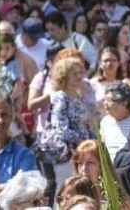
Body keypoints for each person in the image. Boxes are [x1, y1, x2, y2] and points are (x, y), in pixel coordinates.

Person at [38, 55, 96, 187]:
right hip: (65, 154)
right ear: (64, 76)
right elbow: (60, 128)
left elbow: (85, 125)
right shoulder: (61, 97)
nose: (79, 76)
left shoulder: (78, 96)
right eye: (74, 74)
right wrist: (81, 141)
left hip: (80, 152)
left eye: (80, 72)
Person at [70, 140, 130, 210]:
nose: (84, 169)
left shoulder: (121, 202)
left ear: (102, 166)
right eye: (80, 163)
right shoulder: (70, 197)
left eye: (90, 163)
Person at [99, 81, 130, 159]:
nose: (105, 103)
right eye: (104, 100)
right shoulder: (105, 122)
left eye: (109, 100)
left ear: (124, 103)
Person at [90, 47, 123, 116]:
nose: (109, 63)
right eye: (105, 61)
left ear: (119, 63)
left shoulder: (123, 85)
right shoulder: (91, 84)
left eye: (113, 60)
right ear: (100, 64)